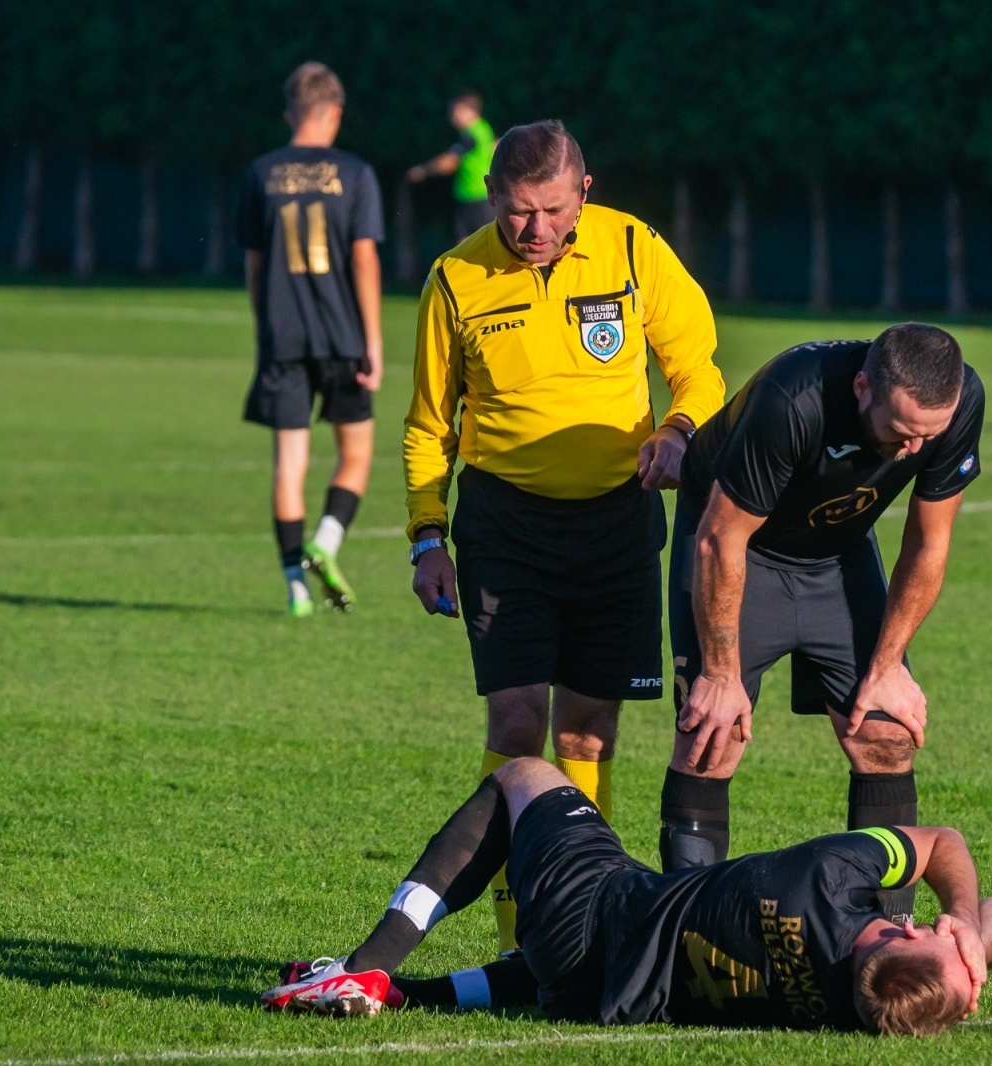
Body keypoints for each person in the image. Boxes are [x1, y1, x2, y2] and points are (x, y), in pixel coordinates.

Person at [403, 120, 724, 952]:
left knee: (587, 733)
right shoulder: (456, 278)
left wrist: (681, 430)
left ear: (584, 190)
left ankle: (574, 923)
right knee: (515, 729)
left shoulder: (632, 250)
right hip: (505, 528)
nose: (535, 230)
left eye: (551, 209)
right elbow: (429, 424)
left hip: (616, 524)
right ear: (492, 200)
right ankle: (519, 938)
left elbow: (699, 366)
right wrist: (426, 536)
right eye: (516, 213)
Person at [261, 758, 992, 1035]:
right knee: (542, 970)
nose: (926, 921)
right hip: (597, 989)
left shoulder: (825, 883)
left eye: (921, 930)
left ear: (892, 940)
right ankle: (408, 997)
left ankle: (365, 966)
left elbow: (941, 843)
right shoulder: (844, 1012)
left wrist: (956, 922)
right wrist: (971, 946)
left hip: (595, 907)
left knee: (523, 777)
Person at [660, 325, 986, 928]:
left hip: (836, 553)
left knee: (886, 735)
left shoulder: (959, 402)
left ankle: (886, 932)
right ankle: (686, 932)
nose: (914, 451)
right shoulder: (793, 399)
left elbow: (929, 541)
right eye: (901, 431)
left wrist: (887, 668)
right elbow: (719, 539)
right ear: (863, 387)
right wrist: (721, 673)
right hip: (737, 548)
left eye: (928, 436)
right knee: (712, 734)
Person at [238, 62, 384, 616]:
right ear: (335, 113)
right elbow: (364, 259)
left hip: (283, 340)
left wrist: (264, 324)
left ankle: (295, 585)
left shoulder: (260, 173)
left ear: (289, 114)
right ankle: (327, 538)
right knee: (356, 452)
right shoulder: (355, 173)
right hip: (343, 336)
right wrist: (372, 340)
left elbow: (255, 264)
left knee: (289, 461)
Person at [406, 92, 496, 241]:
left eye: (455, 111)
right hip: (478, 198)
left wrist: (423, 171)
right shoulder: (483, 128)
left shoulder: (472, 134)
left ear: (467, 110)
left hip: (476, 199)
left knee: (468, 247)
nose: (453, 117)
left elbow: (450, 161)